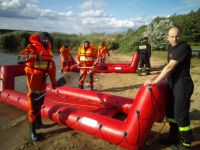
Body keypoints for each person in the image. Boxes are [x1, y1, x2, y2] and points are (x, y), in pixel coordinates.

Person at [144, 27, 194, 150]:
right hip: (172, 82)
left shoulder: (183, 47)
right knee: (170, 112)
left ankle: (186, 144)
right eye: (172, 36)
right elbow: (167, 66)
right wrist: (155, 77)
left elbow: (170, 67)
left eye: (177, 36)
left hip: (182, 84)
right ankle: (173, 137)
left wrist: (156, 81)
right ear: (168, 37)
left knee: (180, 114)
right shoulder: (170, 47)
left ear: (181, 36)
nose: (174, 39)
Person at [17, 32, 57, 141]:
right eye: (44, 39)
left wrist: (54, 82)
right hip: (33, 80)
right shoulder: (32, 47)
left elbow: (51, 68)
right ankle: (32, 132)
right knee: (32, 106)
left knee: (40, 103)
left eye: (48, 39)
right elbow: (19, 59)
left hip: (43, 80)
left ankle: (39, 124)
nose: (46, 40)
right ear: (40, 40)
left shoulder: (48, 51)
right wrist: (34, 56)